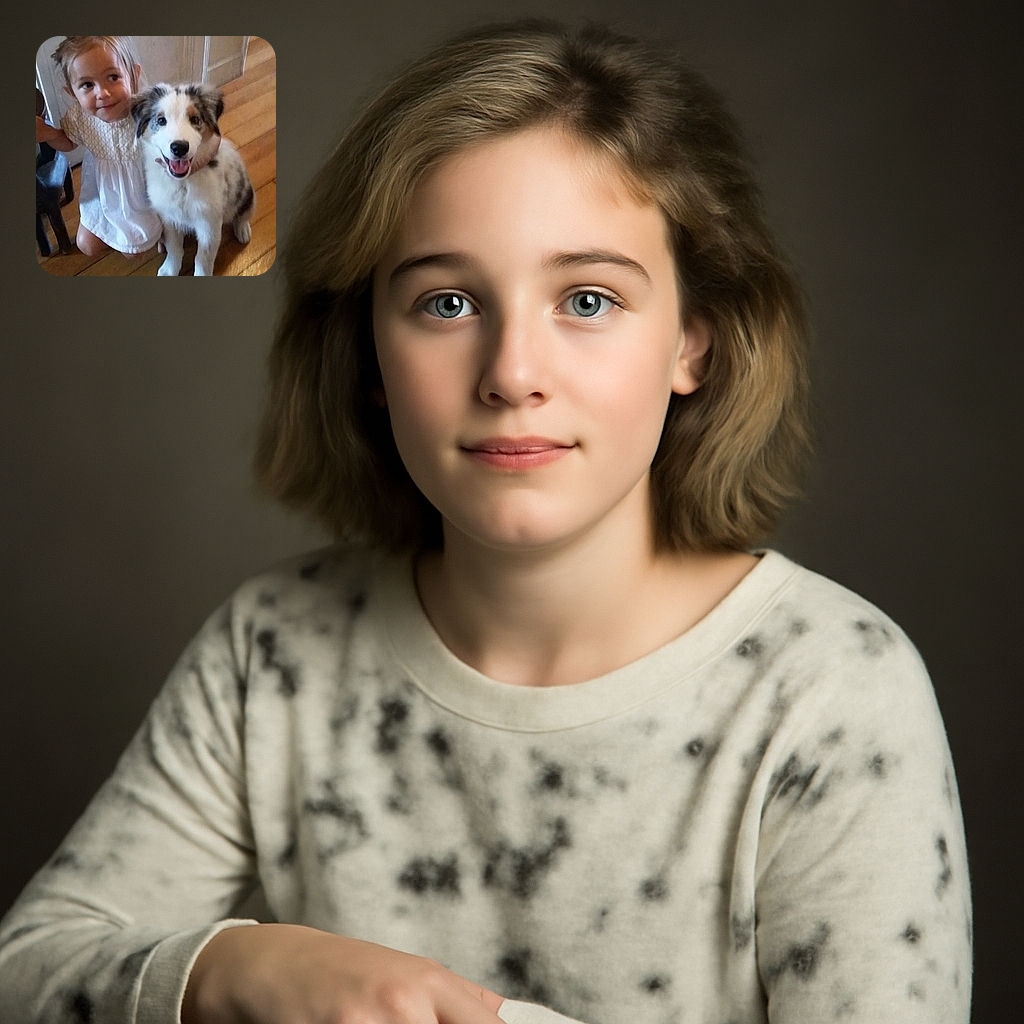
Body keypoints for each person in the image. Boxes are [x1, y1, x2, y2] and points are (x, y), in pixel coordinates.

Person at [2, 19, 971, 1024]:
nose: (512, 375)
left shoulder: (832, 691)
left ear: (695, 342)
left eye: (588, 299)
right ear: (369, 352)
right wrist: (230, 971)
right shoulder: (272, 652)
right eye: (448, 302)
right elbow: (27, 969)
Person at [35, 35, 162, 257]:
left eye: (113, 77)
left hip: (144, 194)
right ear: (72, 93)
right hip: (105, 192)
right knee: (87, 245)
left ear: (134, 75)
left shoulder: (149, 112)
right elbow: (69, 142)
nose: (102, 93)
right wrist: (48, 133)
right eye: (87, 85)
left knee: (132, 252)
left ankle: (159, 232)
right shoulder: (81, 117)